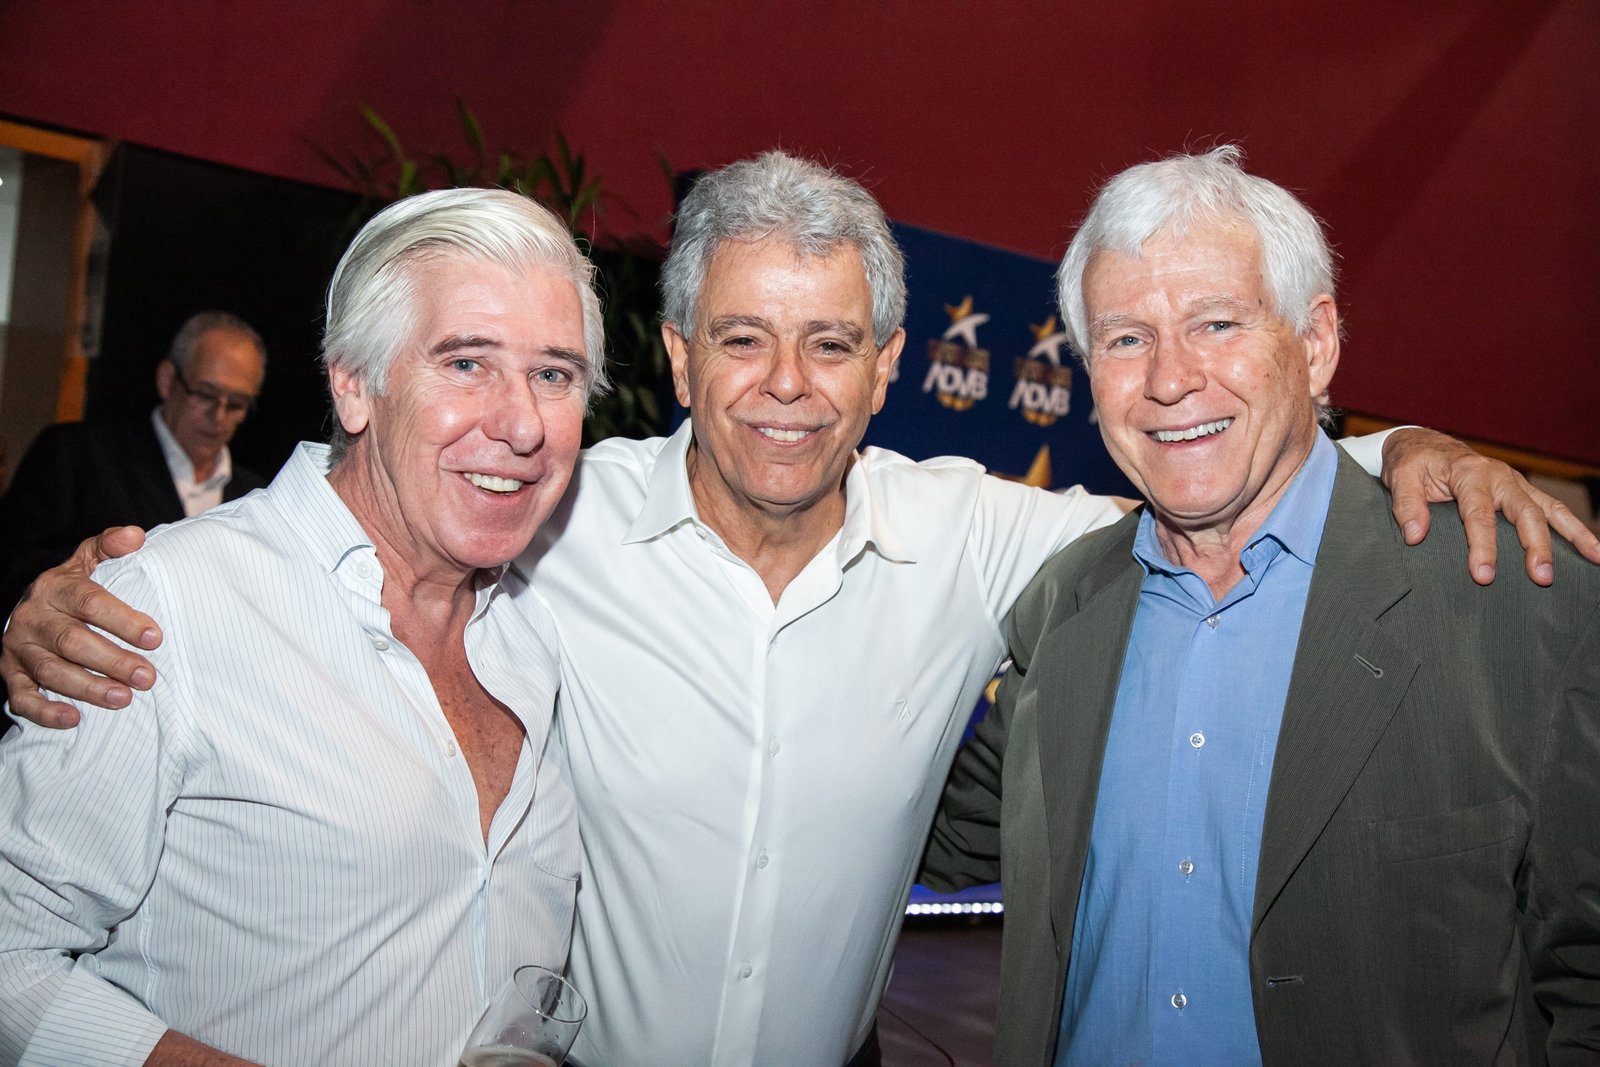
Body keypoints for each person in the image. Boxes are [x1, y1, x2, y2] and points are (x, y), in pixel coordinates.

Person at [6, 152, 1598, 1067]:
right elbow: (352, 547)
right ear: (677, 357)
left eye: (832, 342)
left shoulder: (978, 536)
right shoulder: (545, 514)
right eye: (741, 339)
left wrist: (1407, 448)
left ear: (889, 365)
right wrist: (119, 592)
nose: (786, 385)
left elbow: (1207, 469)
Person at [921, 146, 1600, 1064]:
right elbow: (923, 833)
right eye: (1126, 338)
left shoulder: (1518, 600)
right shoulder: (1062, 606)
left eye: (1216, 323)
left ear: (1315, 344)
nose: (1170, 379)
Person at [0, 187, 600, 1065]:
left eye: (554, 374)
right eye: (467, 362)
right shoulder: (168, 607)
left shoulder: (540, 630)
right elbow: (12, 957)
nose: (521, 424)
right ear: (354, 382)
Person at [0, 312, 269, 614]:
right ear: (167, 380)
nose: (218, 416)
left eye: (236, 404)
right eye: (205, 394)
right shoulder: (76, 454)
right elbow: (13, 565)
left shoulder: (256, 496)